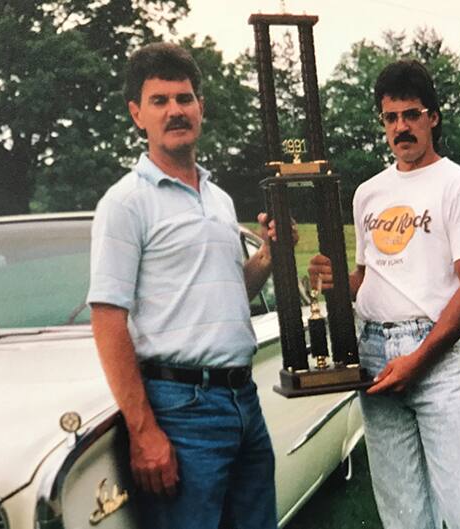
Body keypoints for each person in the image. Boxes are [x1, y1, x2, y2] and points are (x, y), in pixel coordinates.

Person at [87, 42, 292, 529]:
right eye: (159, 101)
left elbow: (226, 292)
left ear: (201, 107)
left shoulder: (219, 199)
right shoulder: (125, 204)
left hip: (244, 402)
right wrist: (144, 432)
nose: (175, 111)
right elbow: (107, 319)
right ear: (137, 114)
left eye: (184, 99)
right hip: (181, 412)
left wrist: (267, 254)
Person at [309, 60, 460, 529]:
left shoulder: (457, 185)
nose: (401, 128)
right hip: (373, 352)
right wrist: (330, 283)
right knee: (402, 512)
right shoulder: (368, 194)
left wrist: (419, 358)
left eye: (411, 115)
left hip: (432, 353)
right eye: (391, 118)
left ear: (432, 117)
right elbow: (366, 278)